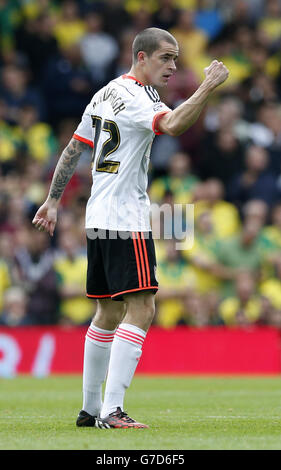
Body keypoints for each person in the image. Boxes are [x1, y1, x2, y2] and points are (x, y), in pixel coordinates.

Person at [32, 27, 229, 429]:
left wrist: (53, 199)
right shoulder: (139, 98)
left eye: (175, 58)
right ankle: (113, 410)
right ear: (141, 57)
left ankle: (89, 410)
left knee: (107, 311)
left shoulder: (104, 93)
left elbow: (74, 148)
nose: (173, 66)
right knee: (142, 307)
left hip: (98, 216)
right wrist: (208, 85)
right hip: (126, 218)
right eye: (166, 57)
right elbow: (173, 125)